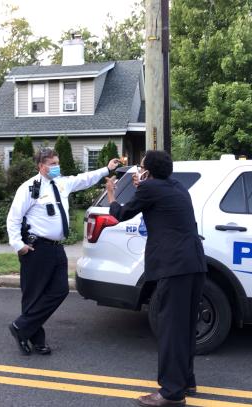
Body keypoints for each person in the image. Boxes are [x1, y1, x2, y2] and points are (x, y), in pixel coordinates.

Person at [106, 150, 207, 407]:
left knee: (171, 329)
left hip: (173, 267)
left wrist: (111, 196)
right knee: (184, 326)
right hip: (195, 264)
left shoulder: (150, 189)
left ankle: (172, 393)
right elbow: (156, 195)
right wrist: (145, 184)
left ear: (148, 172)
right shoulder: (178, 187)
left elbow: (121, 214)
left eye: (141, 167)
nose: (139, 171)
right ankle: (186, 380)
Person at [7, 147, 120, 356]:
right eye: (52, 164)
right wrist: (18, 245)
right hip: (36, 248)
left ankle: (21, 327)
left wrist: (107, 169)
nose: (56, 167)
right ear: (41, 166)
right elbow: (13, 218)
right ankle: (35, 339)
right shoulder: (29, 188)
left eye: (57, 163)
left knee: (60, 290)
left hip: (57, 249)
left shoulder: (61, 183)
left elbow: (84, 179)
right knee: (33, 295)